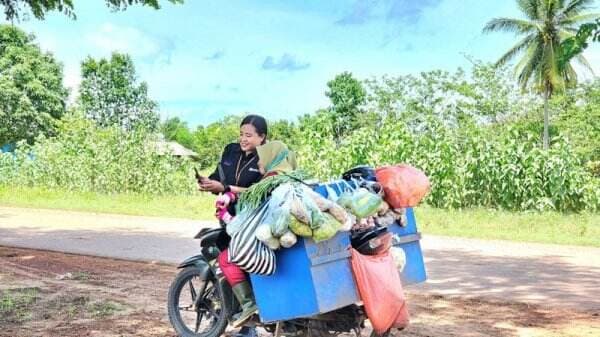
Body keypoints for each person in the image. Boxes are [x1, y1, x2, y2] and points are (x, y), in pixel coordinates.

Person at [215, 140, 297, 329]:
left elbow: (244, 222)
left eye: (261, 159)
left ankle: (249, 304)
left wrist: (226, 217)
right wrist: (232, 193)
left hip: (265, 240)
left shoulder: (270, 182)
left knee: (226, 258)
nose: (258, 163)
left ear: (271, 159)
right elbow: (251, 194)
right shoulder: (289, 178)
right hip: (282, 238)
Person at [198, 115, 267, 337]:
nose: (243, 139)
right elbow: (218, 178)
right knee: (236, 264)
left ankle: (250, 318)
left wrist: (226, 187)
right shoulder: (231, 152)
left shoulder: (266, 159)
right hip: (230, 220)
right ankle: (247, 326)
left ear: (262, 137)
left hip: (251, 222)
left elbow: (262, 190)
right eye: (241, 134)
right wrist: (209, 184)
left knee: (229, 260)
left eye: (249, 135)